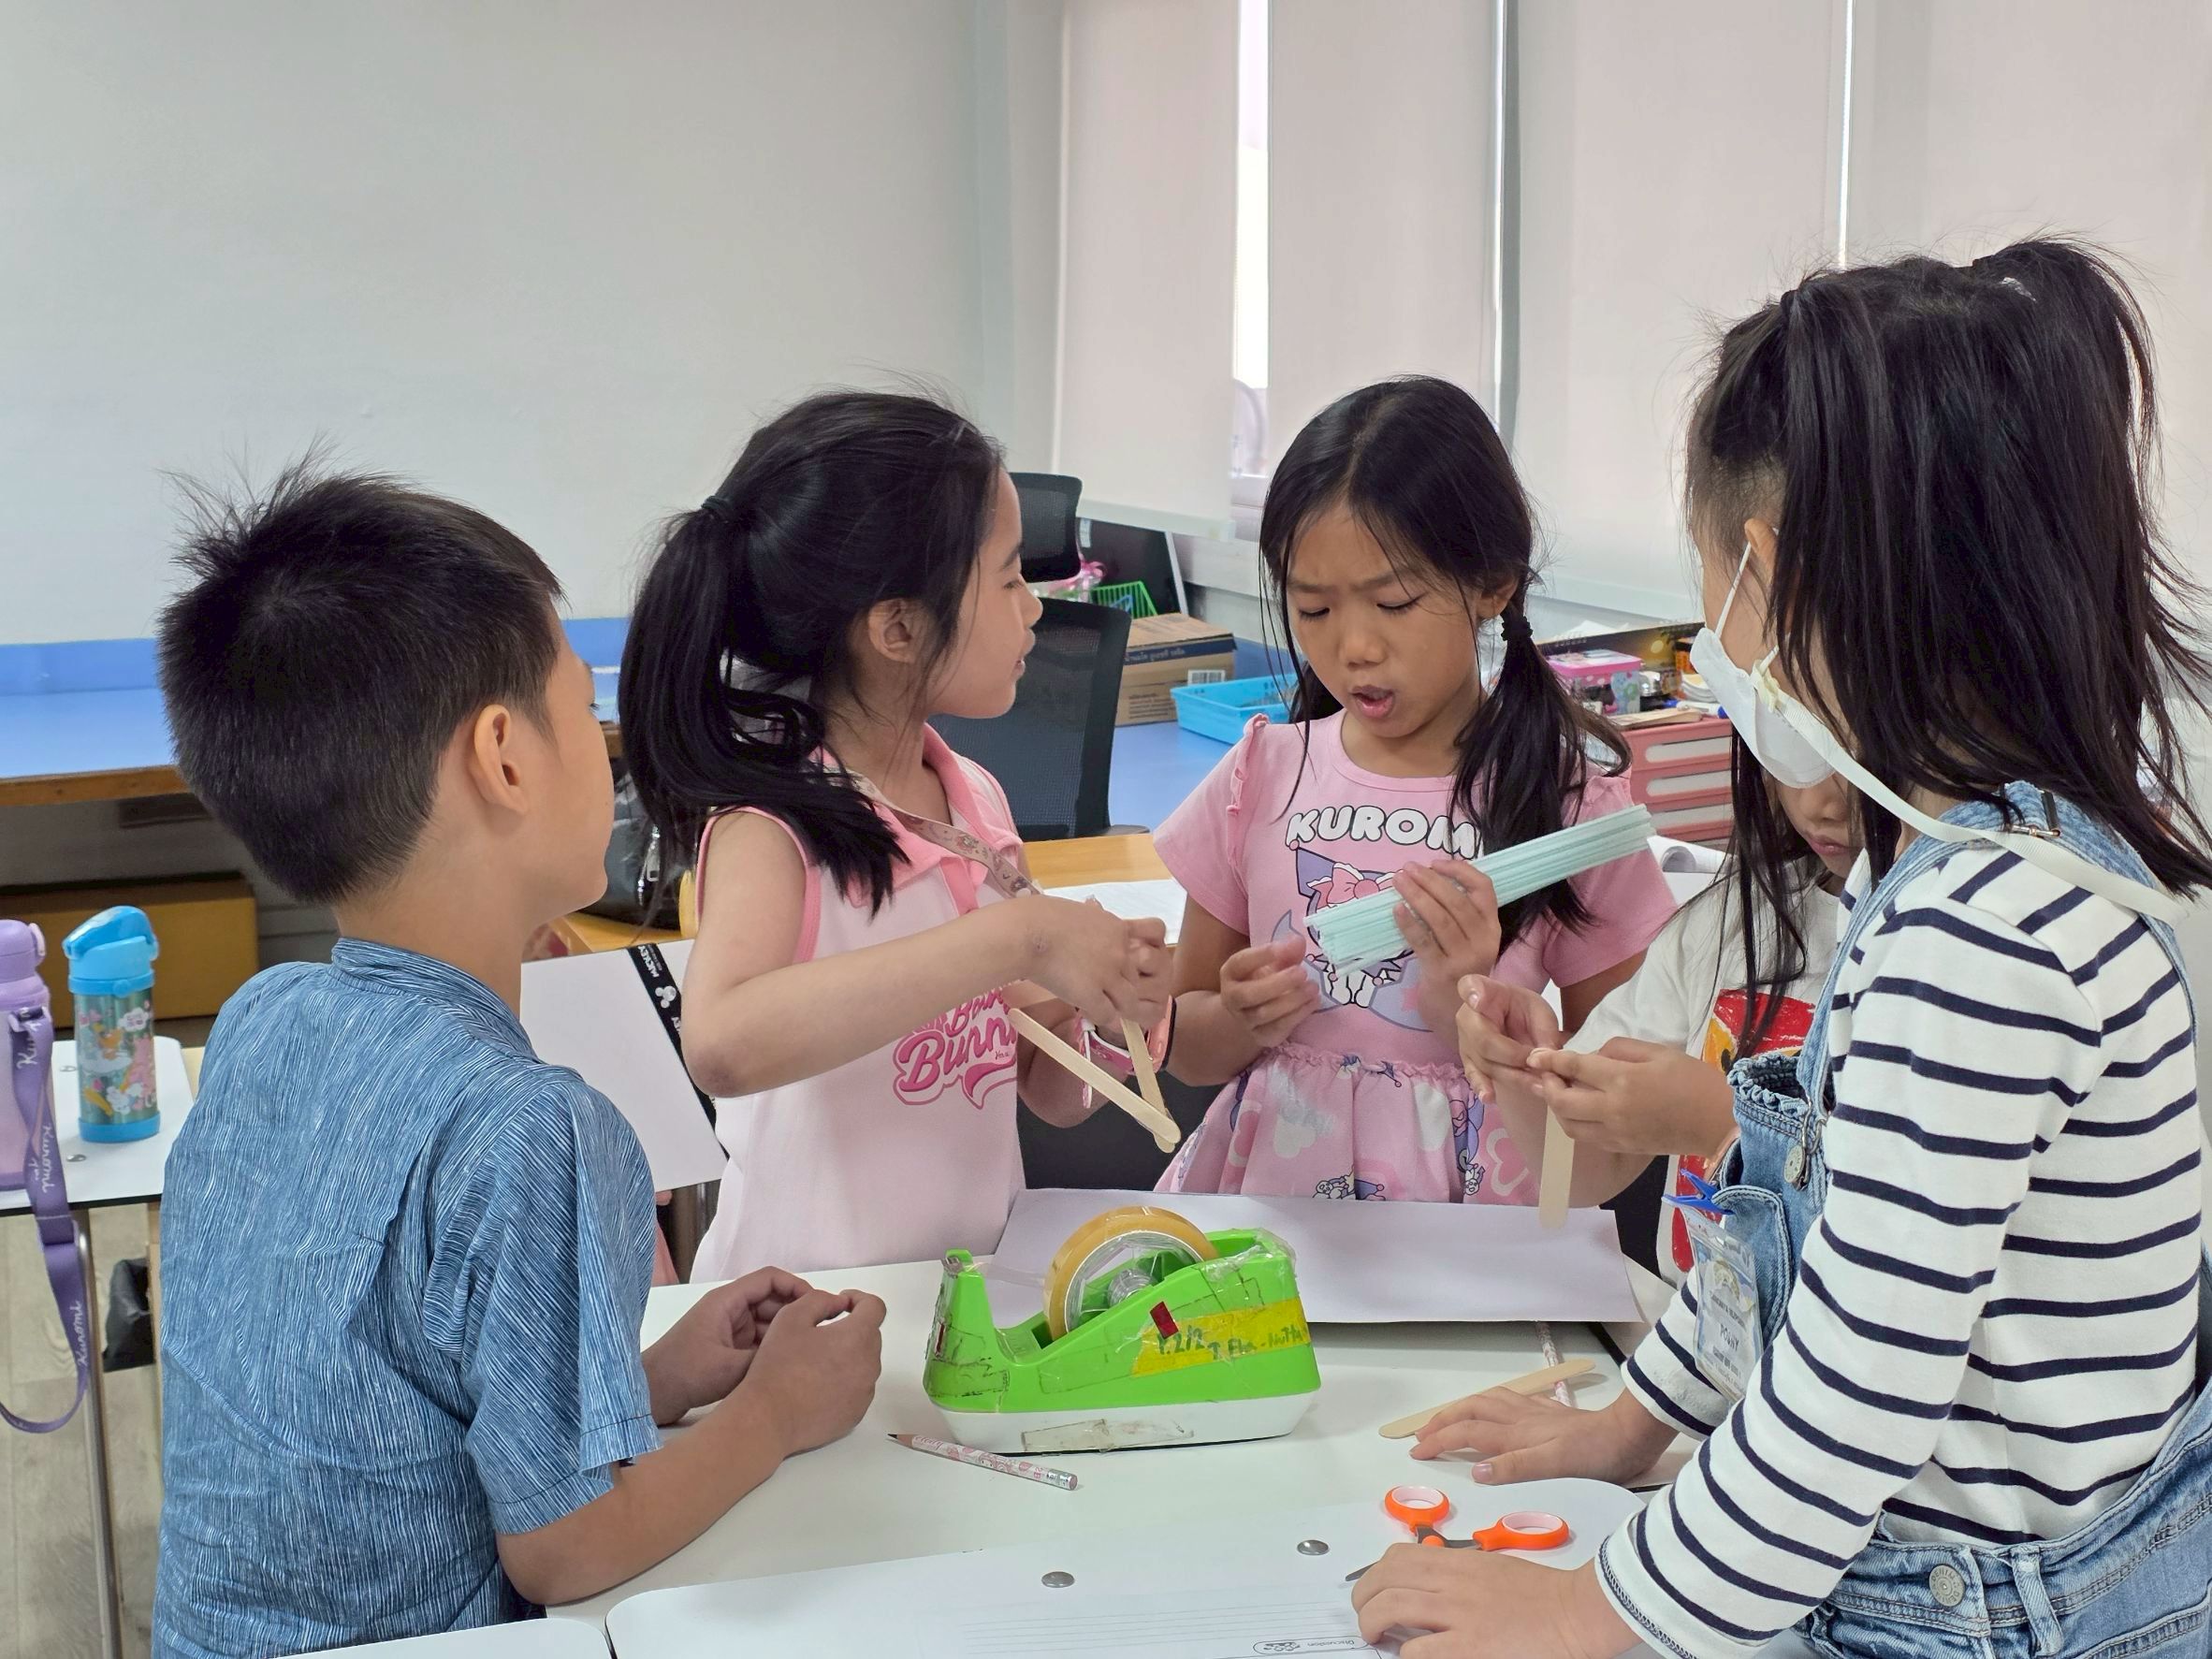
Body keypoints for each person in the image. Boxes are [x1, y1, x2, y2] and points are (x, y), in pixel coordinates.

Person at [1357, 241, 2212, 1658]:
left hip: (1980, 1618)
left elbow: (1855, 1388)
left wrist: (1592, 1610)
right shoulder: (1987, 871)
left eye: (1708, 591)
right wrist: (1638, 1422)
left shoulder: (1979, 935)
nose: (1709, 643)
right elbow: (1804, 1241)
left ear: (1770, 575)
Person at [150, 466, 884, 1658]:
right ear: (503, 758)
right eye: (583, 709)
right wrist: (774, 1415)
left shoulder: (262, 1018)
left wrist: (650, 1378)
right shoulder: (530, 1125)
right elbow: (567, 1547)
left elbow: (392, 1403)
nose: (607, 747)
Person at [618, 391, 1170, 1280]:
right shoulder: (774, 825)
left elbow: (1043, 1084)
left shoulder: (975, 800)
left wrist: (1112, 1017)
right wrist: (1014, 937)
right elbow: (722, 1042)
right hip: (803, 1317)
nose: (1035, 609)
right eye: (1008, 579)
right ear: (899, 626)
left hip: (964, 1311)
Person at [1155, 376, 1676, 1204]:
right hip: (1278, 1221)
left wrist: (1465, 1010)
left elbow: (1622, 1120)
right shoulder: (1258, 774)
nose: (1354, 647)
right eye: (1313, 609)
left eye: (1394, 602)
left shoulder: (1567, 806)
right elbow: (1181, 1045)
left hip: (1471, 1228)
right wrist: (1238, 1018)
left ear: (1493, 583)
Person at [1460, 752, 1861, 1278]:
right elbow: (1578, 1175)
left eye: (1856, 759)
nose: (1818, 803)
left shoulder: (1943, 955)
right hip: (1693, 1320)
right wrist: (1522, 1068)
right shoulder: (1727, 923)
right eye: (1795, 751)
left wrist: (1722, 1124)